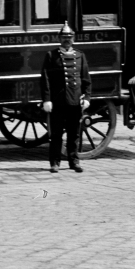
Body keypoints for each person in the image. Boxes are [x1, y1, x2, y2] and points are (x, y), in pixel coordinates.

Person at [40, 22, 91, 173]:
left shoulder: (80, 56)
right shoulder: (51, 56)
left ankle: (74, 161)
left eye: (69, 37)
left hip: (75, 101)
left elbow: (86, 79)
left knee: (74, 133)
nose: (66, 40)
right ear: (59, 38)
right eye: (64, 37)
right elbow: (45, 79)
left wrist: (87, 97)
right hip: (58, 101)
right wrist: (47, 99)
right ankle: (55, 163)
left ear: (73, 39)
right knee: (56, 134)